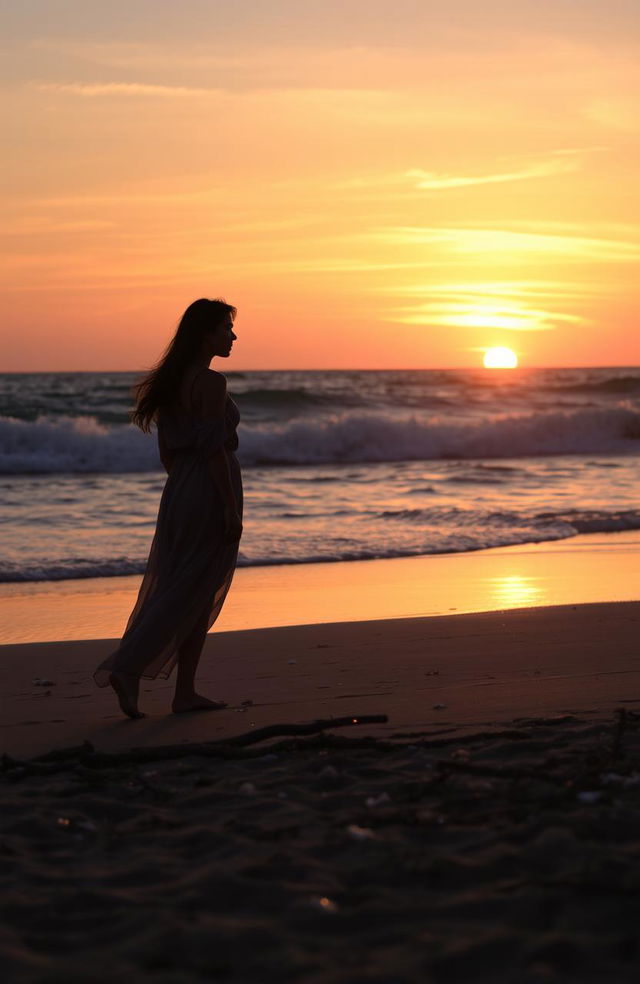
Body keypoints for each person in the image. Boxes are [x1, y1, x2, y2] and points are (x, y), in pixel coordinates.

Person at [93, 298, 243, 718]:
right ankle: (130, 667)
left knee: (187, 586)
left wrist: (184, 487)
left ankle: (185, 693)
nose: (232, 336)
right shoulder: (212, 383)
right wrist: (230, 509)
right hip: (210, 489)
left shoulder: (171, 381)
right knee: (192, 588)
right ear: (205, 334)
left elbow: (167, 454)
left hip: (180, 488)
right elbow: (214, 450)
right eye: (225, 328)